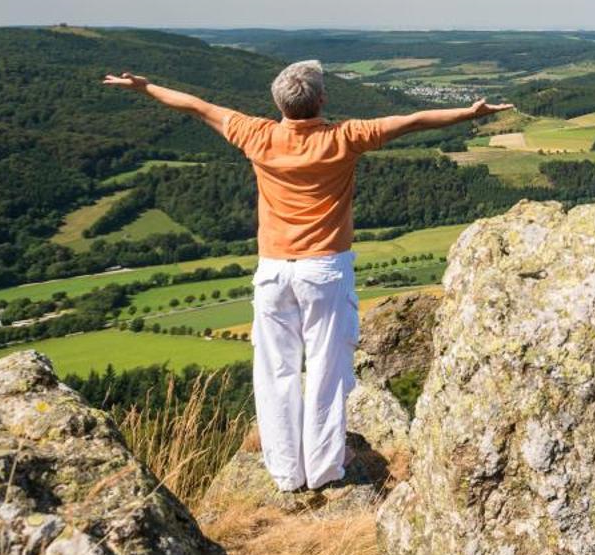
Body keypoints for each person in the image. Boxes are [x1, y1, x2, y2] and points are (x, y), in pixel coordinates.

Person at [102, 61, 507, 492]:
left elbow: (197, 107)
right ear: (322, 101)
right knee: (326, 370)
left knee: (274, 371)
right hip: (324, 270)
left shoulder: (256, 135)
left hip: (273, 271)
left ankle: (286, 472)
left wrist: (146, 88)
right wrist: (468, 113)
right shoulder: (344, 138)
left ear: (278, 104)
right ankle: (325, 467)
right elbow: (411, 121)